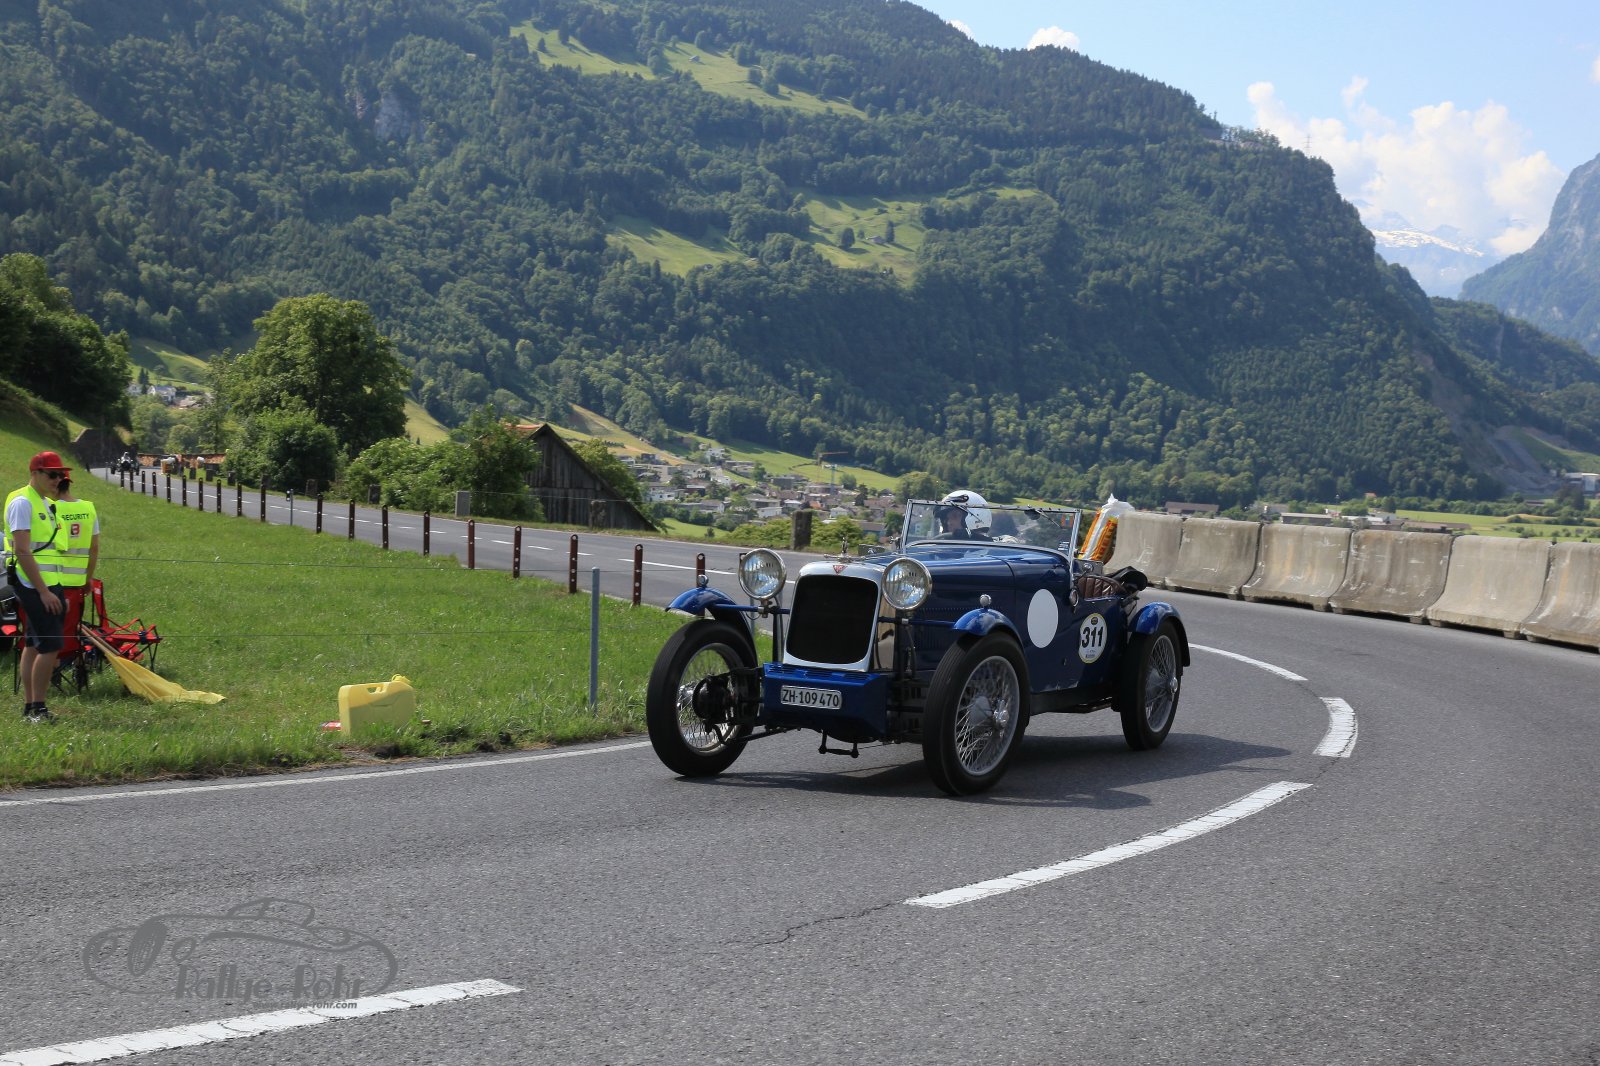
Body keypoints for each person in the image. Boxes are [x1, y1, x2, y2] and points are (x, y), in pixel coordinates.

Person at [5, 451, 71, 723]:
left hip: (48, 584)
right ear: (35, 473)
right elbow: (22, 550)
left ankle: (30, 707)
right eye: (52, 474)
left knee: (33, 643)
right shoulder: (23, 503)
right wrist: (43, 591)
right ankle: (38, 709)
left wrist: (56, 589)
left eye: (61, 475)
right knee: (50, 645)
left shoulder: (45, 503)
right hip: (33, 584)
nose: (58, 480)